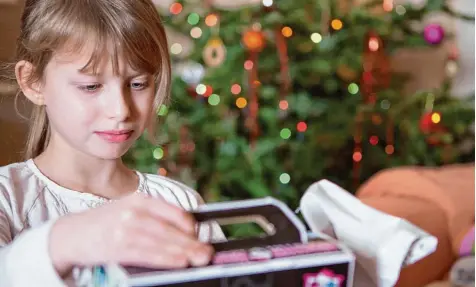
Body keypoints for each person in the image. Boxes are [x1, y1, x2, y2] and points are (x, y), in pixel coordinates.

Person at [0, 0, 224, 286]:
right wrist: (64, 241)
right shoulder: (7, 199)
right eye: (91, 86)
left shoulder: (179, 203)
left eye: (138, 84)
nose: (121, 110)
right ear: (33, 82)